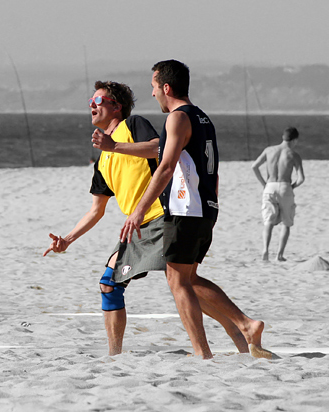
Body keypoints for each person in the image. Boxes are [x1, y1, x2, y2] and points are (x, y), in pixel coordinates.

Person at [44, 81, 250, 357]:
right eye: (90, 101)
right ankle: (115, 355)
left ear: (116, 106)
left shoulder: (133, 126)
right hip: (137, 228)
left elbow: (158, 148)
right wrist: (67, 239)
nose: (92, 105)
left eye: (99, 100)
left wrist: (115, 145)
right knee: (115, 284)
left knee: (182, 283)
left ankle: (239, 331)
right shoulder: (103, 159)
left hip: (162, 216)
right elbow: (96, 210)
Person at [120, 60, 272, 359]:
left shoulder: (177, 118)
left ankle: (218, 342)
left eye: (153, 87)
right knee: (186, 280)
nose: (152, 94)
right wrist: (115, 147)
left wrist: (138, 211)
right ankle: (241, 329)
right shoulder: (202, 118)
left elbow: (164, 168)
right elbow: (191, 163)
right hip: (204, 208)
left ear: (166, 87)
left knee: (178, 280)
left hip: (186, 209)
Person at [251, 127, 304, 261]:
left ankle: (265, 251)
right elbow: (301, 178)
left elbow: (254, 167)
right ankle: (279, 255)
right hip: (285, 186)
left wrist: (264, 184)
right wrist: (292, 187)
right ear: (295, 140)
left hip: (270, 186)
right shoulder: (293, 154)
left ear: (283, 137)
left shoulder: (269, 150)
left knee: (268, 220)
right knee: (286, 222)